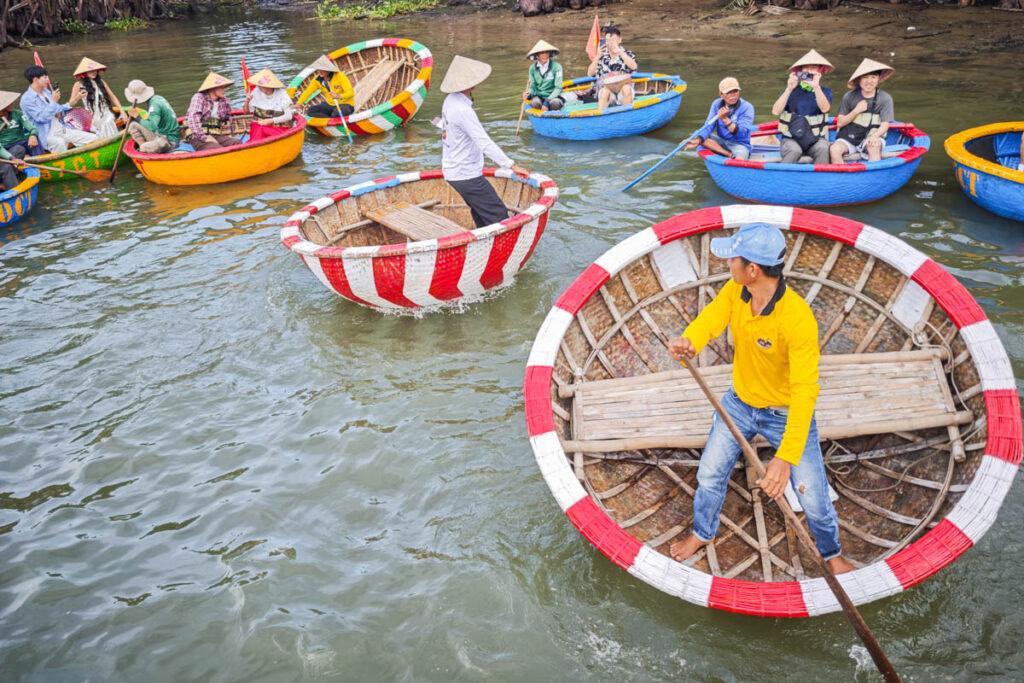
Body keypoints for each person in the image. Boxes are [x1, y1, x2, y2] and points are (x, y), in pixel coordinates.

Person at [666, 222, 854, 575]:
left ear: (752, 270)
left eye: (733, 259)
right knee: (709, 473)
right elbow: (710, 320)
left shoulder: (797, 319)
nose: (728, 265)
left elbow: (804, 393)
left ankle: (831, 553)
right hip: (739, 403)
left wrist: (784, 458)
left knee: (812, 493)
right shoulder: (737, 292)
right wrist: (689, 341)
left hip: (783, 413)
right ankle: (702, 533)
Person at [439, 55, 529, 228]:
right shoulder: (462, 109)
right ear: (471, 84)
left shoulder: (449, 100)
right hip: (465, 173)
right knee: (499, 216)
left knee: (480, 211)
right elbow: (484, 143)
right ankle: (500, 250)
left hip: (454, 170)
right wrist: (512, 165)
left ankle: (484, 240)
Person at [771, 49, 833, 165]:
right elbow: (775, 111)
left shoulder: (825, 91)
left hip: (815, 139)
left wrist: (816, 87)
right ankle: (782, 178)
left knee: (823, 147)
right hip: (791, 138)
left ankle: (820, 179)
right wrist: (789, 89)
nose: (809, 71)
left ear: (819, 71)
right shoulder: (791, 90)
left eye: (813, 67)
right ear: (800, 71)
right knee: (795, 150)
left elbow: (825, 109)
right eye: (806, 68)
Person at [830, 59, 896, 164]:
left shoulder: (885, 98)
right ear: (859, 80)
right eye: (865, 77)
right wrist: (856, 111)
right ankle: (841, 177)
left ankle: (873, 177)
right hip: (850, 137)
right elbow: (840, 122)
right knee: (834, 149)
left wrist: (875, 136)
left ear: (878, 79)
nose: (869, 81)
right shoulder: (849, 96)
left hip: (873, 136)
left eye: (873, 77)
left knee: (873, 146)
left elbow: (885, 125)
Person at [20, 65, 95, 154]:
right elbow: (41, 118)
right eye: (45, 77)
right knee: (60, 143)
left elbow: (58, 110)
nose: (47, 80)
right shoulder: (27, 99)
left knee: (93, 138)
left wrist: (74, 101)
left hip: (60, 128)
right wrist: (53, 102)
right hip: (45, 134)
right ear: (35, 79)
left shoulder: (46, 92)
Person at [685, 77, 754, 160]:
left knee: (740, 159)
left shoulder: (747, 107)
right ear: (721, 94)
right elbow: (708, 126)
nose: (733, 95)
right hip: (721, 141)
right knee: (697, 135)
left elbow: (742, 133)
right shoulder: (716, 104)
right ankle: (728, 154)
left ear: (739, 92)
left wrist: (725, 119)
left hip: (740, 144)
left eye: (735, 91)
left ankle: (733, 156)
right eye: (728, 92)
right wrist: (698, 140)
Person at [70, 57, 126, 138]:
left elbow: (113, 97)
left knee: (107, 122)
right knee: (94, 128)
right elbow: (71, 104)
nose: (94, 72)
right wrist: (78, 97)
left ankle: (111, 141)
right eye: (91, 71)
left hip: (106, 113)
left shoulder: (101, 82)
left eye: (95, 70)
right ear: (84, 72)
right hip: (91, 116)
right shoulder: (78, 85)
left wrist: (122, 111)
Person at [184, 72, 241, 151]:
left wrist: (227, 123)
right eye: (221, 87)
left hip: (215, 133)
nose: (223, 90)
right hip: (196, 135)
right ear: (213, 88)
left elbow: (227, 117)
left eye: (224, 87)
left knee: (237, 143)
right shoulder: (199, 98)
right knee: (216, 148)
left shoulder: (223, 100)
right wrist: (205, 137)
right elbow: (193, 120)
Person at [586, 25, 637, 112]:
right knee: (604, 92)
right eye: (607, 40)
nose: (610, 43)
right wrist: (597, 56)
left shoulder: (627, 53)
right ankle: (601, 119)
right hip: (607, 89)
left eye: (613, 40)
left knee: (626, 89)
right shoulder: (601, 56)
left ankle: (627, 116)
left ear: (620, 40)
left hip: (623, 88)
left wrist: (620, 52)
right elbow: (590, 74)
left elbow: (634, 66)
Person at [0, 90, 44, 190]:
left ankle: (41, 164)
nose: (12, 103)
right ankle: (12, 177)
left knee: (33, 139)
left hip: (19, 142)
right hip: (4, 148)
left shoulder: (17, 114)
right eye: (8, 103)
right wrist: (12, 159)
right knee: (18, 150)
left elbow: (32, 128)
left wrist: (33, 135)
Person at [124, 79, 179, 154]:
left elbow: (152, 127)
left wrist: (137, 116)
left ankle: (144, 150)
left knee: (143, 148)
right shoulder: (157, 98)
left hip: (169, 141)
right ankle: (144, 147)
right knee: (133, 125)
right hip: (160, 135)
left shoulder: (154, 105)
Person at [243, 69, 295, 142]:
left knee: (262, 129)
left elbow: (289, 116)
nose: (258, 86)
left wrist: (271, 121)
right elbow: (246, 112)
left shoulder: (282, 94)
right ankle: (254, 145)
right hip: (259, 126)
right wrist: (246, 102)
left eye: (261, 85)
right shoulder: (256, 91)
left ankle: (254, 145)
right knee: (259, 128)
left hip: (279, 127)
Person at [524, 40, 564, 112]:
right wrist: (528, 94)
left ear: (549, 54)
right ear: (537, 55)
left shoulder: (557, 67)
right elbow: (532, 87)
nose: (545, 55)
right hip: (539, 96)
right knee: (535, 103)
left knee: (555, 104)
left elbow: (558, 87)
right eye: (542, 53)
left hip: (553, 97)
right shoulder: (532, 68)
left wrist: (547, 102)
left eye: (546, 52)